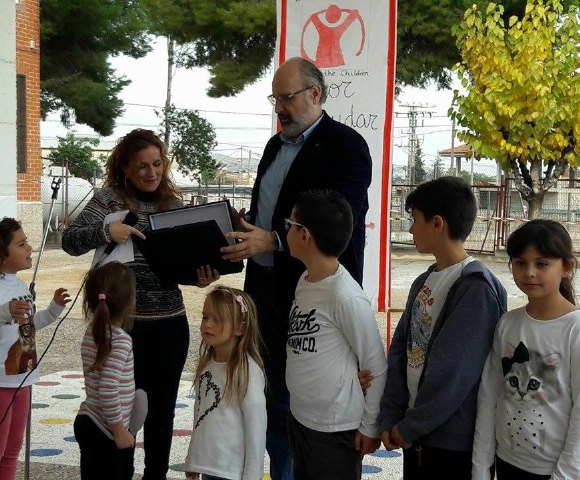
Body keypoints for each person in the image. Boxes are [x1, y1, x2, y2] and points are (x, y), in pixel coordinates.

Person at [221, 56, 372, 480]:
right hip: (263, 288)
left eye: (286, 98)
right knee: (266, 389)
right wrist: (245, 226)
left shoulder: (346, 145)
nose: (279, 108)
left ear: (315, 94)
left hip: (313, 291)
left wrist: (271, 239)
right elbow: (269, 212)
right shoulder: (274, 146)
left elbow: (341, 218)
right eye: (275, 99)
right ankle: (280, 469)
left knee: (302, 393)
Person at [62, 128, 219, 480]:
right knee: (123, 410)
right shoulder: (108, 200)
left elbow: (179, 265)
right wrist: (107, 232)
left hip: (169, 325)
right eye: (143, 166)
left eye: (157, 164)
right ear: (126, 168)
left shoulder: (172, 205)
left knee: (161, 412)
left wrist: (199, 276)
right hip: (122, 328)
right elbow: (70, 241)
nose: (152, 173)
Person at [377, 176, 507, 480]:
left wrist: (409, 426)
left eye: (414, 220)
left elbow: (453, 373)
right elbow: (401, 351)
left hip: (450, 443)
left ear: (437, 224)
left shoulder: (475, 288)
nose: (410, 229)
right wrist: (391, 416)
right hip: (417, 433)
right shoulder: (423, 281)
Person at [472, 220, 580, 480]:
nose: (529, 272)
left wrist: (565, 474)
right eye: (520, 263)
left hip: (561, 471)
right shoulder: (508, 323)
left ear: (566, 267)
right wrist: (481, 467)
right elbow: (489, 395)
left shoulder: (579, 330)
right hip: (508, 462)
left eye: (542, 264)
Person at [284, 190, 387, 479]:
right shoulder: (305, 281)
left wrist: (369, 426)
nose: (286, 230)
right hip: (302, 419)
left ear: (305, 235)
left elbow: (376, 365)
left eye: (289, 225)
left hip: (335, 429)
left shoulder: (346, 296)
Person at [0, 218, 70, 480]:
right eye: (21, 244)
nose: (30, 248)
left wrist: (53, 310)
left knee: (11, 452)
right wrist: (2, 312)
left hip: (21, 379)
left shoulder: (19, 286)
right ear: (0, 254)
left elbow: (27, 328)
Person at [184, 286, 266, 480]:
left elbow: (256, 427)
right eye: (205, 317)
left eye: (217, 320)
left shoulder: (246, 370)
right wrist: (193, 458)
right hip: (208, 468)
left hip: (231, 472)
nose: (207, 325)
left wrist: (252, 475)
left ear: (240, 327)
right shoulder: (207, 365)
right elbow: (200, 415)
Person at [74, 261, 145, 480]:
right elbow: (107, 388)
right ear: (130, 302)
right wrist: (119, 430)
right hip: (106, 429)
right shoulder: (121, 340)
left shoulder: (91, 332)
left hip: (88, 420)